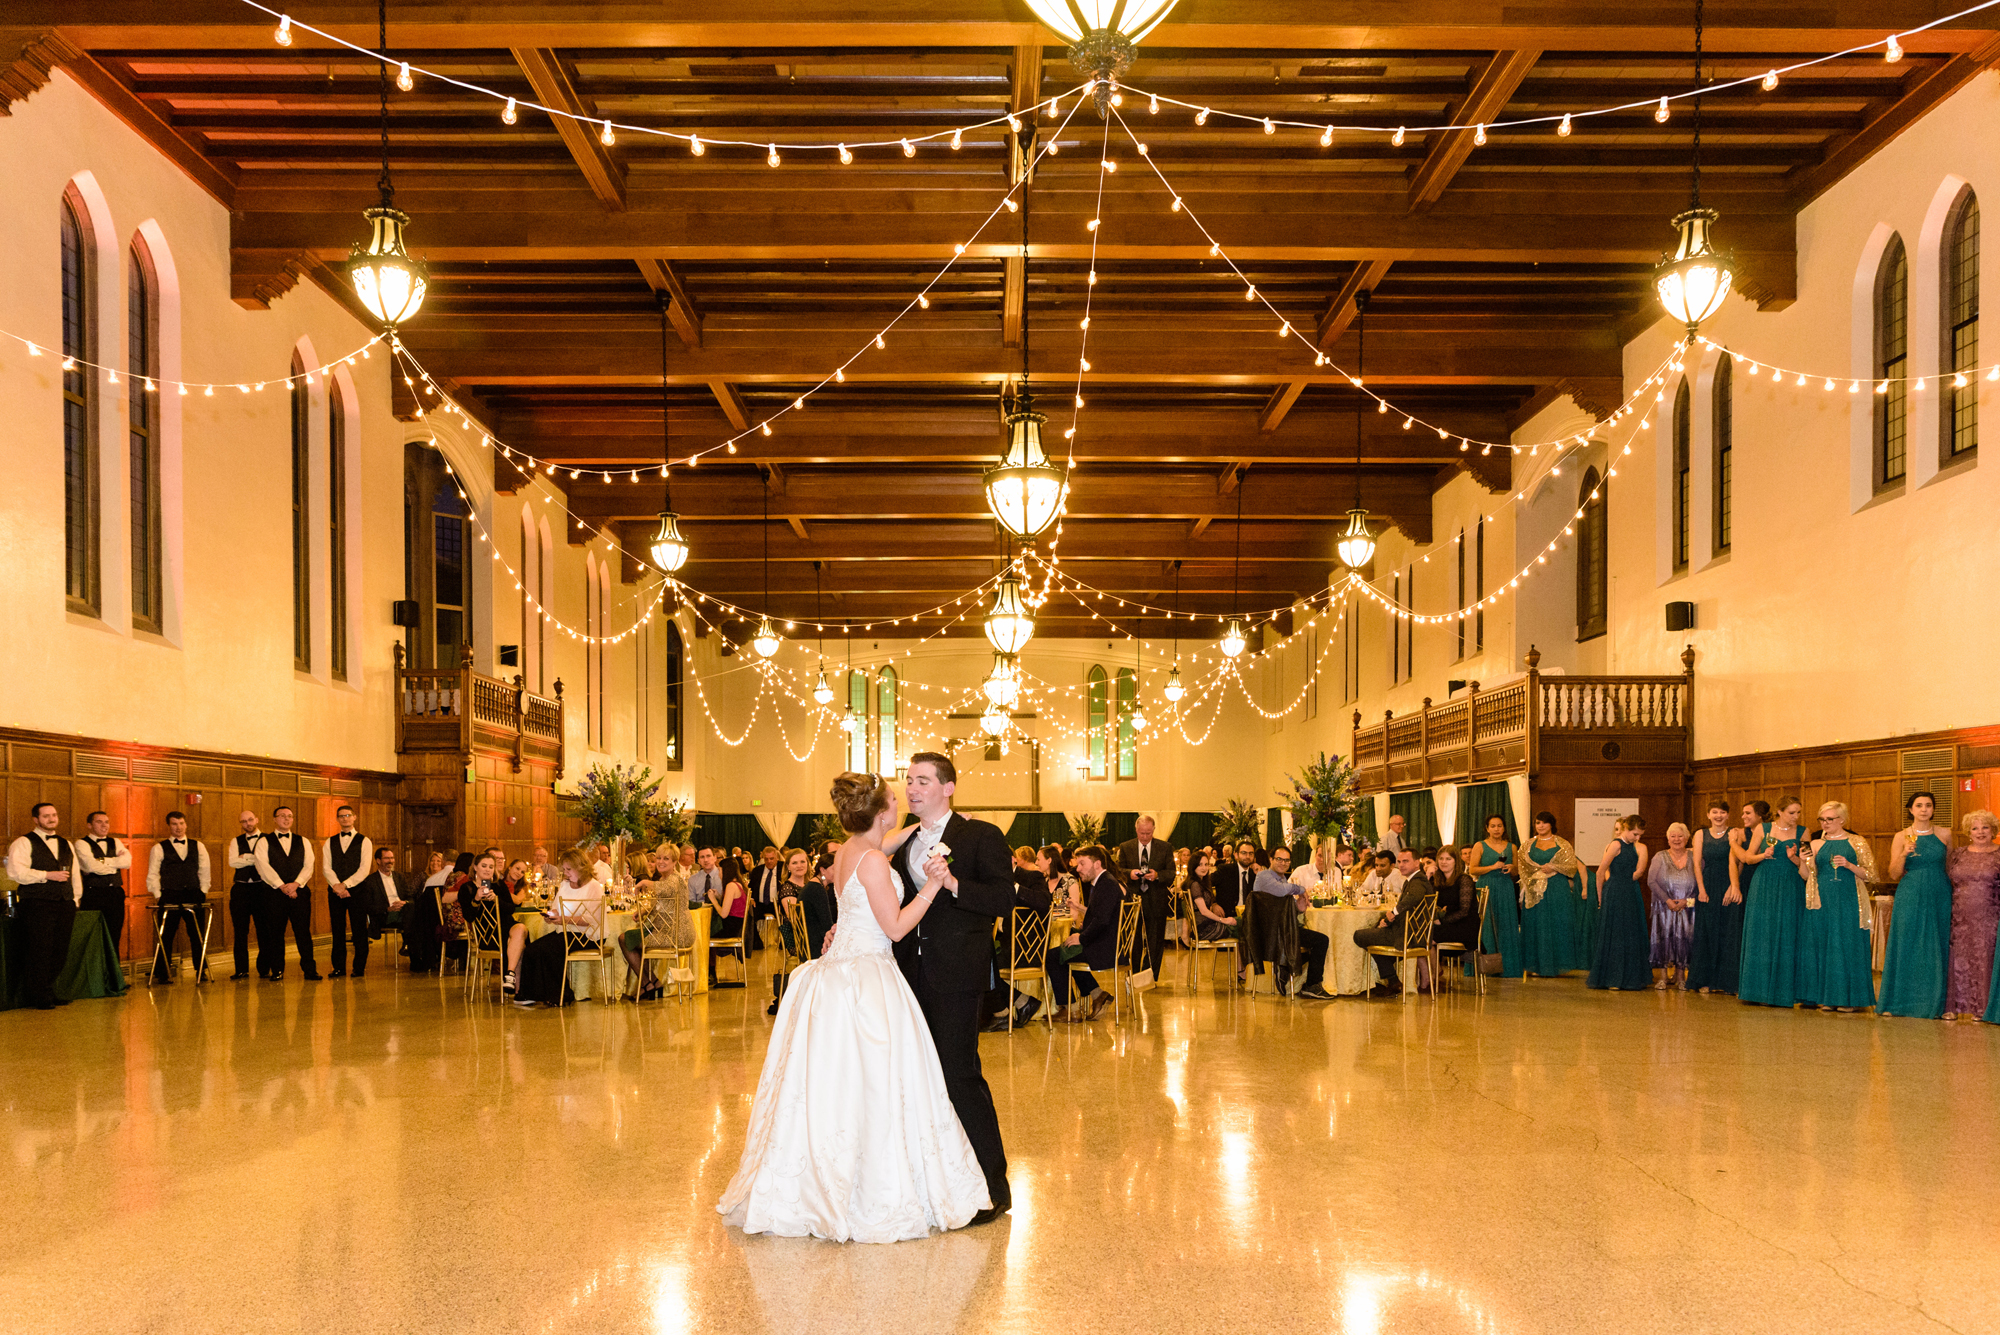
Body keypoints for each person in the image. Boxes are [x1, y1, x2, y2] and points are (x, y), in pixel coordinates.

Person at [717, 771, 991, 1242]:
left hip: (835, 974)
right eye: (894, 798)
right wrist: (931, 883)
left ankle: (824, 1177)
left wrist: (940, 825)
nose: (901, 802)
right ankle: (869, 1187)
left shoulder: (848, 851)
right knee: (879, 1084)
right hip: (867, 978)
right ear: (882, 810)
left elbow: (889, 843)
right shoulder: (875, 865)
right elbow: (897, 928)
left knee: (839, 1086)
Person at [878, 754, 1014, 1223]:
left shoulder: (980, 835)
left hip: (957, 973)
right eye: (909, 781)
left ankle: (993, 1189)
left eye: (923, 781)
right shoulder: (903, 842)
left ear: (949, 787)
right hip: (907, 975)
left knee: (959, 1074)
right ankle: (938, 1182)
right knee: (919, 1079)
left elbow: (1003, 898)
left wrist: (953, 882)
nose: (913, 788)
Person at [1878, 792, 1952, 1019]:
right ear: (1910, 810)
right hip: (1910, 892)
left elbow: (1949, 867)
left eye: (1928, 805)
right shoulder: (1901, 836)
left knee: (1938, 945)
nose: (1924, 810)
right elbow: (1892, 873)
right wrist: (1903, 854)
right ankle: (1897, 1002)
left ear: (1933, 809)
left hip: (1939, 891)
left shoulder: (1944, 834)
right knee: (1906, 943)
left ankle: (1940, 1005)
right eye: (1919, 805)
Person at [1796, 801, 1876, 1013]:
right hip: (1822, 902)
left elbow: (1871, 875)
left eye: (1829, 819)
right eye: (1822, 819)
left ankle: (1848, 999)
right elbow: (1807, 877)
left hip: (1849, 901)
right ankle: (1827, 997)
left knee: (1846, 946)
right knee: (1824, 947)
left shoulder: (1857, 842)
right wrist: (1802, 862)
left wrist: (1849, 865)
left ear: (1842, 820)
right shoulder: (1815, 844)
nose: (1825, 823)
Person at [7, 803, 78, 1009]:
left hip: (65, 902)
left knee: (59, 950)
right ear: (36, 820)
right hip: (37, 903)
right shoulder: (23, 842)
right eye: (46, 816)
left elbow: (75, 874)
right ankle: (36, 995)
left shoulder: (66, 844)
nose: (51, 819)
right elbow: (15, 872)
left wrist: (75, 899)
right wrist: (46, 875)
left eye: (54, 815)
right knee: (39, 950)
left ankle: (47, 989)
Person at [1738, 799, 1808, 1008]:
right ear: (1780, 812)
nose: (1796, 817)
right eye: (1792, 812)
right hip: (1764, 883)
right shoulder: (1763, 828)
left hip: (1791, 883)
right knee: (1762, 931)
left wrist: (1794, 858)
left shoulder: (1803, 832)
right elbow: (1748, 858)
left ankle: (1784, 992)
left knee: (1788, 932)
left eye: (1798, 813)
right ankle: (1756, 991)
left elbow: (1808, 866)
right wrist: (1763, 854)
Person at [512, 850, 603, 1007]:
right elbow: (556, 909)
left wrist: (563, 919)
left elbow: (592, 920)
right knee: (533, 949)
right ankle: (530, 993)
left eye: (569, 869)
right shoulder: (565, 885)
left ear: (581, 867)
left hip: (588, 935)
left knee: (550, 949)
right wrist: (550, 915)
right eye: (565, 870)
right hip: (567, 932)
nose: (566, 873)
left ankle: (561, 994)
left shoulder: (594, 886)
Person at [1045, 843, 1123, 1021]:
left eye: (1082, 864)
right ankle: (1097, 995)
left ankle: (1070, 1009)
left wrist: (1082, 937)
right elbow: (1102, 914)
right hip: (1104, 941)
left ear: (1097, 864)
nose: (1077, 868)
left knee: (1054, 956)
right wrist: (1080, 909)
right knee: (1066, 952)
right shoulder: (1104, 882)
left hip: (1106, 946)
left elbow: (1103, 921)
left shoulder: (1107, 884)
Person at [979, 849, 1050, 1031]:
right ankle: (1021, 1002)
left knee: (981, 965)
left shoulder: (1032, 877)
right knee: (977, 959)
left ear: (1013, 860)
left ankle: (1004, 1011)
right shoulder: (992, 883)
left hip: (1025, 947)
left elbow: (1044, 902)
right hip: (1002, 942)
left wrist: (1015, 887)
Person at [1944, 810, 2000, 1022]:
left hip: (1989, 916)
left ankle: (1982, 1008)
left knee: (1984, 959)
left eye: (1985, 827)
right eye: (1975, 828)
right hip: (1959, 916)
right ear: (1968, 832)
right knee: (1958, 960)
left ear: (1993, 830)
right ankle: (1955, 1006)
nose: (1980, 832)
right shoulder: (1958, 854)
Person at [1517, 811, 1586, 977]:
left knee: (1557, 923)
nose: (1540, 826)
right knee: (1536, 923)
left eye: (1544, 822)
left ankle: (1556, 965)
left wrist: (1554, 868)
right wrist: (1538, 872)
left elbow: (1571, 867)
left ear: (1551, 824)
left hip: (1557, 888)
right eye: (1538, 822)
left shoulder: (1563, 843)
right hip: (1534, 890)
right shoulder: (1527, 845)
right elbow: (1522, 866)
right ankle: (1535, 965)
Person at [146, 811, 212, 982]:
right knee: (165, 935)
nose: (178, 827)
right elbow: (152, 874)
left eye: (181, 823)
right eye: (174, 824)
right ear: (169, 826)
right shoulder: (159, 848)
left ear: (186, 824)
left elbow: (205, 870)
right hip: (170, 895)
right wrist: (159, 895)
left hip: (193, 893)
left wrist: (203, 891)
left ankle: (201, 970)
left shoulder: (198, 846)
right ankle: (163, 971)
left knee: (198, 935)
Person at [254, 805, 319, 981]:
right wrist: (282, 886)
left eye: (289, 816)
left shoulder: (303, 841)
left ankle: (309, 969)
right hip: (274, 894)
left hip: (300, 893)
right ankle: (277, 970)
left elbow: (309, 865)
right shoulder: (264, 841)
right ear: (274, 819)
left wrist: (296, 884)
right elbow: (263, 867)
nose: (286, 819)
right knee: (275, 933)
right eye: (282, 816)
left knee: (303, 933)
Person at [1587, 815, 1652, 991]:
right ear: (1626, 829)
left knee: (1629, 932)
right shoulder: (1616, 844)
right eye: (1635, 834)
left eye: (1640, 835)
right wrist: (1600, 897)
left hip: (1629, 891)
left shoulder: (1632, 846)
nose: (1637, 838)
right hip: (1615, 891)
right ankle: (1613, 978)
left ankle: (1628, 978)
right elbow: (1600, 872)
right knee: (1615, 933)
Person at [1352, 847, 1428, 996]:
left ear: (1417, 863)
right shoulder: (1412, 879)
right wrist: (1387, 920)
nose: (1402, 865)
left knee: (1359, 936)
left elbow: (1412, 898)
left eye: (1406, 861)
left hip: (1408, 934)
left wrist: (1392, 913)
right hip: (1406, 929)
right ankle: (1393, 981)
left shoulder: (1418, 881)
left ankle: (1392, 979)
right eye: (1400, 862)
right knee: (1374, 932)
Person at [1687, 801, 1745, 995]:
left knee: (1729, 932)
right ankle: (1706, 979)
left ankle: (1729, 983)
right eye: (1715, 812)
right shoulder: (1700, 834)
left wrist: (1733, 886)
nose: (1719, 816)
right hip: (1708, 885)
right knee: (1707, 932)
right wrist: (1701, 890)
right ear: (1708, 815)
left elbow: (1739, 860)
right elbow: (1696, 864)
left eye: (1722, 812)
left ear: (1728, 815)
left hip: (1730, 884)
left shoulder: (1735, 832)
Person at [1115, 816, 1174, 980]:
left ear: (1153, 830)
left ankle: (1150, 976)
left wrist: (1157, 875)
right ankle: (1134, 974)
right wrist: (1130, 874)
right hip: (1133, 899)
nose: (1145, 837)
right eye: (1142, 833)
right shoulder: (1126, 847)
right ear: (1136, 830)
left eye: (1148, 833)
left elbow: (1171, 873)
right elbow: (1118, 871)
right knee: (1133, 940)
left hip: (1156, 899)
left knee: (1155, 941)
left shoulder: (1165, 847)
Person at [320, 805, 374, 978]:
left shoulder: (364, 841)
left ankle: (359, 967)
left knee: (359, 930)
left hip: (357, 891)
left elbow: (364, 869)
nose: (344, 819)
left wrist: (346, 885)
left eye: (348, 815)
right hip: (335, 892)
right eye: (341, 816)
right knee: (337, 930)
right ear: (337, 819)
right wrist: (337, 885)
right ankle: (338, 967)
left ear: (354, 817)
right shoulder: (330, 841)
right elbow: (326, 867)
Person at [458, 853, 524, 992]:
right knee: (518, 942)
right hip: (486, 935)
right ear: (475, 867)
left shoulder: (500, 885)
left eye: (491, 867)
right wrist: (476, 899)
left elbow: (511, 909)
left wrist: (496, 900)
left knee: (521, 929)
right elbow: (469, 916)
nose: (488, 870)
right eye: (484, 866)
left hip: (506, 927)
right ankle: (515, 985)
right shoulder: (467, 888)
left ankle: (510, 974)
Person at [73, 810, 132, 962]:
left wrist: (102, 861)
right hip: (94, 894)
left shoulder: (116, 842)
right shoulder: (81, 843)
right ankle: (96, 978)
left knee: (114, 934)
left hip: (115, 893)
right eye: (99, 822)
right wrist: (114, 863)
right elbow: (90, 866)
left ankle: (114, 977)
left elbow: (127, 862)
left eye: (106, 822)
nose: (104, 825)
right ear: (89, 825)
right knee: (93, 935)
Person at [1468, 814, 1522, 978]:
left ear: (1504, 828)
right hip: (1486, 887)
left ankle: (1507, 966)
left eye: (1499, 826)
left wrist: (1511, 867)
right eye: (1493, 826)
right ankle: (1485, 967)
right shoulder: (1480, 845)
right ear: (1487, 828)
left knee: (1506, 925)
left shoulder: (1512, 847)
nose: (1496, 829)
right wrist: (1492, 867)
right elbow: (1473, 870)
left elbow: (1517, 871)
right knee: (1485, 927)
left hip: (1505, 888)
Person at [1647, 823, 1698, 989]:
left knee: (1685, 941)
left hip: (1689, 908)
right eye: (1673, 836)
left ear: (1687, 838)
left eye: (1680, 836)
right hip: (1663, 907)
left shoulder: (1696, 857)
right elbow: (1651, 881)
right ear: (1667, 839)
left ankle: (1681, 978)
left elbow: (1701, 886)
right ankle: (1662, 977)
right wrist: (1668, 900)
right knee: (1663, 940)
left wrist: (1687, 901)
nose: (1677, 839)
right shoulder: (1659, 857)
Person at [225, 810, 267, 980]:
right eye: (244, 821)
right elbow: (232, 861)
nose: (248, 824)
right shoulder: (236, 841)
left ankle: (264, 968)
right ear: (240, 824)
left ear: (257, 819)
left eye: (250, 820)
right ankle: (241, 969)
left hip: (262, 889)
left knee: (264, 930)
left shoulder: (267, 839)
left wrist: (246, 857)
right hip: (240, 890)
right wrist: (255, 858)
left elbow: (267, 861)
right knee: (240, 932)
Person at [705, 853, 748, 988]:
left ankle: (710, 973)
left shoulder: (731, 885)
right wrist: (718, 896)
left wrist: (712, 900)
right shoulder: (739, 884)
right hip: (736, 925)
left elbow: (724, 914)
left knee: (705, 936)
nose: (718, 874)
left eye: (720, 870)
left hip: (731, 927)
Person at [1428, 846, 1479, 955]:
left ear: (1456, 861)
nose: (1444, 862)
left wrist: (1441, 921)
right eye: (1441, 859)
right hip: (1447, 925)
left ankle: (1434, 971)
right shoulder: (1438, 881)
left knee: (1425, 937)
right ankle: (1435, 971)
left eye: (1448, 859)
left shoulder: (1464, 879)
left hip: (1465, 927)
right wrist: (1428, 876)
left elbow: (1464, 911)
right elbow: (1428, 902)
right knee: (1420, 935)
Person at [1188, 850, 1237, 942]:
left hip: (1206, 925)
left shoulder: (1201, 883)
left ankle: (1237, 956)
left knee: (1238, 925)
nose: (1204, 868)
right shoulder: (1195, 884)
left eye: (1206, 864)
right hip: (1204, 929)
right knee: (1239, 928)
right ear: (1193, 866)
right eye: (1200, 865)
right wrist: (1223, 920)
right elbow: (1203, 911)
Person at [746, 845, 785, 948]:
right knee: (748, 914)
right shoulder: (757, 871)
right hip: (760, 904)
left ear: (777, 857)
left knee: (786, 916)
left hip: (778, 903)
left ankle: (786, 943)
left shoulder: (784, 868)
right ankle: (756, 943)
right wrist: (751, 899)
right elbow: (750, 888)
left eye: (771, 858)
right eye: (766, 859)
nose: (769, 861)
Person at [369, 845, 409, 942]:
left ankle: (411, 948)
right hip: (385, 915)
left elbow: (409, 896)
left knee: (413, 911)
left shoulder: (400, 877)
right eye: (387, 858)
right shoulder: (370, 880)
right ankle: (408, 944)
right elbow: (368, 906)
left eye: (392, 858)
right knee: (413, 917)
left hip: (403, 911)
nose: (390, 861)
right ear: (378, 861)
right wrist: (388, 908)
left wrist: (405, 903)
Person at [1213, 840, 1259, 916]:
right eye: (1244, 853)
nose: (1247, 856)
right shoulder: (1225, 870)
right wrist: (1213, 904)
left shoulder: (1254, 875)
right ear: (1236, 855)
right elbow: (1205, 883)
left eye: (1251, 853)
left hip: (1249, 918)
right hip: (1227, 917)